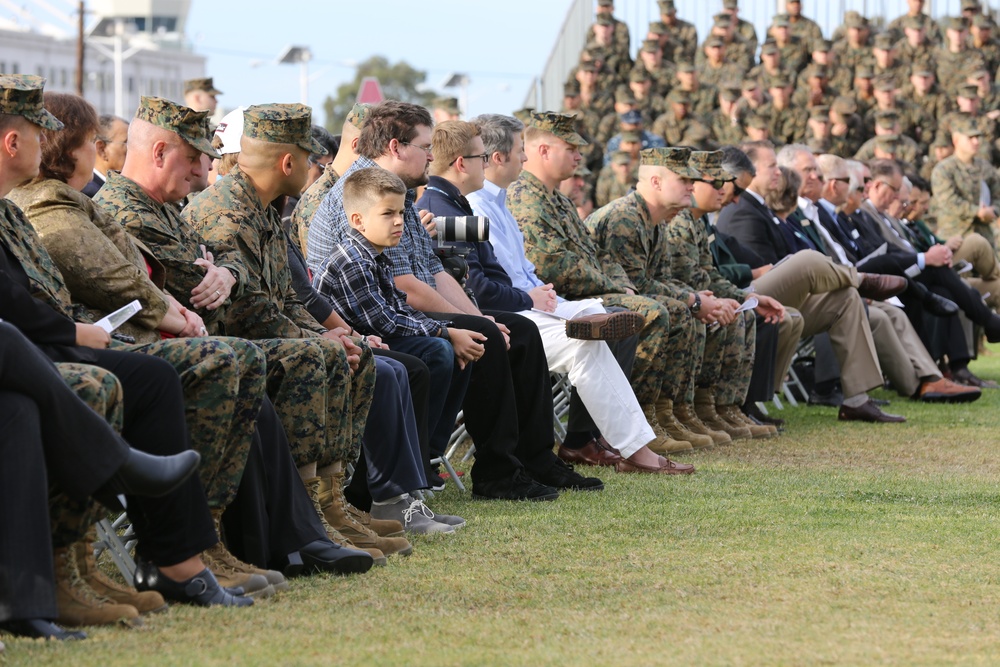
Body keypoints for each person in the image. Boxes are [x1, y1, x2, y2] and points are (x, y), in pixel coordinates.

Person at [310, 100, 605, 499]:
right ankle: (495, 470)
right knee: (479, 335)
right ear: (396, 147)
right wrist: (469, 324)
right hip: (364, 321)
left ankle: (534, 457)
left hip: (390, 312)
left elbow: (432, 271)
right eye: (425, 145)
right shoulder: (370, 193)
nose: (433, 155)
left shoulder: (397, 191)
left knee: (516, 329)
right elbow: (406, 287)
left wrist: (479, 317)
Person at [428, 117, 685, 474]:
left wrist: (531, 297)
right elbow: (479, 288)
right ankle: (611, 447)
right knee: (585, 343)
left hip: (516, 308)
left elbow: (496, 273)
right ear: (462, 163)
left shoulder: (463, 207)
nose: (486, 164)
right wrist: (527, 300)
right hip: (497, 316)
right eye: (480, 157)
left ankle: (594, 444)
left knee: (606, 323)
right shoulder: (447, 210)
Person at [0, 323, 212, 641]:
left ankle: (23, 604)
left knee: (18, 407)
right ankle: (118, 468)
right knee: (124, 380)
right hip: (55, 336)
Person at [716, 141, 906, 422]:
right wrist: (752, 272)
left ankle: (856, 399)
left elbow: (754, 259)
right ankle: (859, 279)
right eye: (771, 166)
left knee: (845, 299)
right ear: (750, 170)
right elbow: (743, 266)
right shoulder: (740, 209)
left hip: (762, 292)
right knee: (807, 260)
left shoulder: (761, 208)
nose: (778, 172)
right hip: (742, 294)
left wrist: (759, 270)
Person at [82, 114, 127, 197]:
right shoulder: (90, 195)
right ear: (102, 149)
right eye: (126, 143)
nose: (132, 150)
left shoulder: (118, 190)